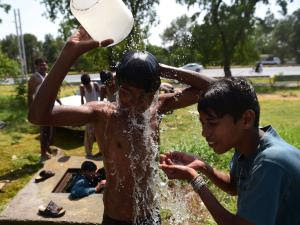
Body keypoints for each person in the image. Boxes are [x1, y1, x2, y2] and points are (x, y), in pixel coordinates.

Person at [28, 27, 213, 225]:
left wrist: (160, 69)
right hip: (116, 218)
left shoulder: (158, 107)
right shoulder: (103, 114)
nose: (134, 103)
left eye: (144, 97)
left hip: (151, 215)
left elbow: (212, 87)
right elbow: (39, 115)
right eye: (126, 93)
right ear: (116, 88)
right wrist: (69, 53)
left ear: (154, 94)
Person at [160, 77, 300, 225]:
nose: (205, 133)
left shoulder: (271, 162)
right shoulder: (248, 145)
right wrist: (202, 166)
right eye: (203, 123)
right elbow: (234, 186)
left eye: (212, 123)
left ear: (246, 119)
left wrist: (194, 179)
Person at [27, 58, 61, 161]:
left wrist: (59, 101)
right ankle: (42, 154)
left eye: (45, 64)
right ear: (36, 66)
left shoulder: (47, 76)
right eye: (41, 65)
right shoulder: (34, 78)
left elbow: (52, 92)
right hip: (41, 108)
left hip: (51, 106)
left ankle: (47, 148)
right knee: (44, 130)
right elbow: (30, 95)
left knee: (51, 129)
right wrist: (31, 110)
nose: (44, 66)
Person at [80, 73, 101, 156]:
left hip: (97, 111)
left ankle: (101, 151)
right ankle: (88, 153)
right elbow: (82, 99)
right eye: (86, 85)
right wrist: (82, 109)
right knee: (89, 134)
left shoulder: (95, 84)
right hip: (88, 111)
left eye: (88, 84)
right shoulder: (82, 87)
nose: (87, 86)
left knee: (99, 132)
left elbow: (101, 96)